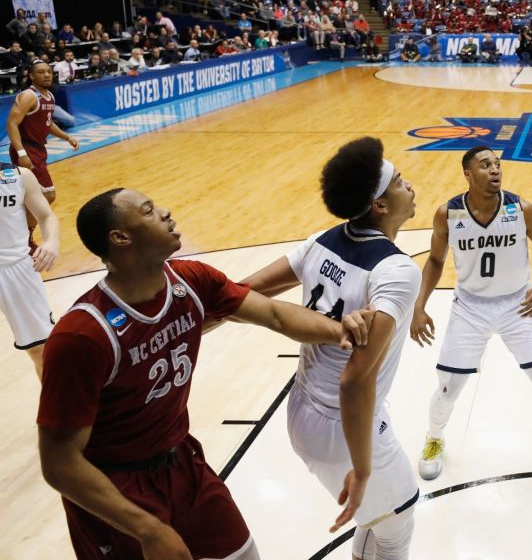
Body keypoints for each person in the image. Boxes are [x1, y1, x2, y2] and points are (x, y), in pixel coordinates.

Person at [36, 188, 372, 560]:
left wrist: (339, 328)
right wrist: (146, 528)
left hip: (183, 462)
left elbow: (276, 315)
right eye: (149, 211)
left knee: (244, 555)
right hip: (116, 490)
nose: (165, 212)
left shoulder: (191, 280)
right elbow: (60, 463)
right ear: (120, 238)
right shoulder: (82, 336)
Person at [241, 137, 421, 558]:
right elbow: (355, 381)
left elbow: (241, 293)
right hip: (341, 424)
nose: (410, 186)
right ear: (379, 205)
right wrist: (361, 467)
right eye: (399, 181)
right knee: (398, 521)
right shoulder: (395, 270)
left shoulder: (323, 239)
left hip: (301, 406)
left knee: (381, 516)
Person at [409, 146, 532, 497]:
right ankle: (434, 439)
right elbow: (436, 261)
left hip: (517, 304)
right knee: (449, 386)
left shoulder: (521, 208)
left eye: (498, 165)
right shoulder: (448, 214)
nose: (495, 170)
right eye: (485, 165)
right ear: (467, 174)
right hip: (470, 306)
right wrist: (419, 305)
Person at [6, 60, 79, 245]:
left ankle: (18, 233)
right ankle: (26, 237)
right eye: (41, 72)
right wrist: (22, 153)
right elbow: (11, 123)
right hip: (27, 148)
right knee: (47, 195)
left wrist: (66, 137)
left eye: (48, 71)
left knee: (30, 196)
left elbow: (47, 122)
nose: (47, 75)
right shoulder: (28, 96)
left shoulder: (49, 96)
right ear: (31, 75)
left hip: (38, 149)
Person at [0, 163, 59, 378]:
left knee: (42, 351)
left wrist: (52, 241)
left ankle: (55, 412)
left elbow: (46, 216)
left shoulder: (18, 176)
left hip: (17, 270)